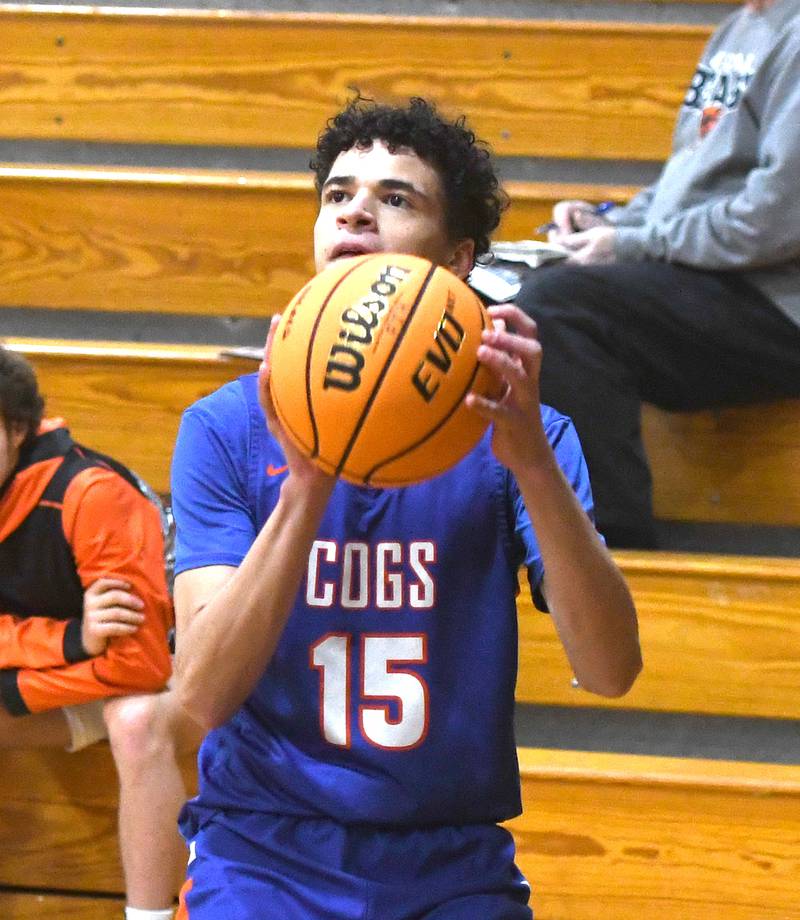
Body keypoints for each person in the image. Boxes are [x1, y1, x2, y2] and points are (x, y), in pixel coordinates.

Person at [171, 96, 642, 920]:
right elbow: (202, 695)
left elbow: (610, 670)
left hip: (450, 862)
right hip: (263, 854)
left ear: (457, 258)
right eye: (337, 194)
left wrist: (530, 464)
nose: (356, 209)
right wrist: (307, 487)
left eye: (396, 198)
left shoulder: (529, 438)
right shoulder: (224, 426)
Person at [516, 0, 800, 549]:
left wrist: (631, 244)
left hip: (777, 305)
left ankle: (609, 551)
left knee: (561, 309)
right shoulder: (739, 28)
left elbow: (774, 221)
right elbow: (689, 178)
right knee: (502, 286)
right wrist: (611, 222)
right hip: (719, 278)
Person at [0, 345, 202, 920]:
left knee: (135, 722)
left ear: (16, 427)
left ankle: (148, 916)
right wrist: (69, 641)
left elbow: (143, 668)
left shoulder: (91, 494)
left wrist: (13, 689)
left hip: (175, 676)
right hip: (83, 674)